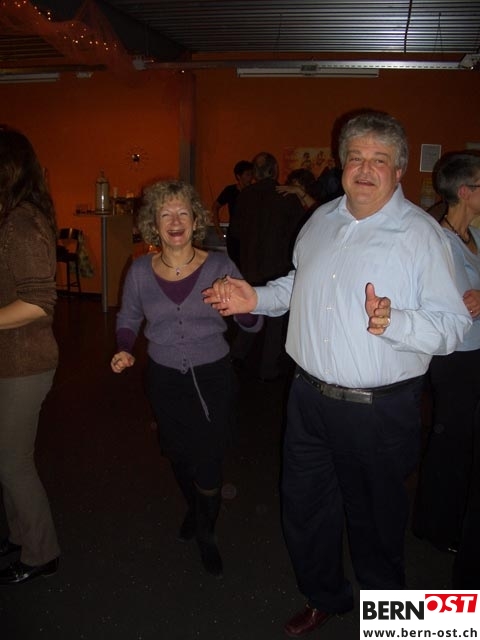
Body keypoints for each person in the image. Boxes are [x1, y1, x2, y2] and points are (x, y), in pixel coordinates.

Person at [203, 112, 471, 635]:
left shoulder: (421, 236)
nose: (365, 169)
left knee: (376, 525)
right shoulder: (321, 219)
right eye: (356, 158)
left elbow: (454, 327)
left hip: (377, 409)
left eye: (379, 160)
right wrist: (256, 297)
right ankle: (324, 596)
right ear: (342, 163)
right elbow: (298, 283)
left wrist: (397, 321)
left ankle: (392, 624)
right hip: (307, 399)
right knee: (305, 509)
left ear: (399, 171)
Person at [111, 180, 262, 577]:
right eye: (166, 214)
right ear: (154, 223)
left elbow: (254, 321)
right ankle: (196, 509)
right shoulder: (139, 270)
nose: (175, 221)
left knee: (208, 460)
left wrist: (240, 310)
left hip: (212, 378)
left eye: (183, 213)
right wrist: (124, 346)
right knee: (178, 455)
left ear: (196, 221)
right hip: (164, 379)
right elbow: (128, 315)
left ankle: (206, 533)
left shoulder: (219, 266)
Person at [0, 125, 61, 585]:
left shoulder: (20, 223)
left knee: (12, 461)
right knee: (6, 458)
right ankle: (21, 535)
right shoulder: (13, 217)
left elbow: (40, 302)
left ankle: (41, 553)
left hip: (25, 363)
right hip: (11, 360)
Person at [413, 152, 480, 563]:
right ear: (466, 191)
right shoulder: (441, 242)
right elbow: (450, 305)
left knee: (463, 442)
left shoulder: (475, 234)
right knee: (451, 442)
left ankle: (443, 518)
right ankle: (435, 525)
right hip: (456, 357)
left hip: (476, 352)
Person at [230, 152, 306, 380]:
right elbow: (300, 237)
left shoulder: (245, 196)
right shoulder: (287, 196)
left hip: (250, 266)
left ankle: (237, 355)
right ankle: (268, 370)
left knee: (249, 311)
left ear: (255, 172)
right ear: (275, 170)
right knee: (275, 323)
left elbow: (235, 234)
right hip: (278, 267)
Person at [211, 160, 254, 268]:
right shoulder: (230, 190)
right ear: (239, 176)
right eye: (247, 175)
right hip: (234, 234)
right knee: (235, 265)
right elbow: (215, 207)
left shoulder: (254, 191)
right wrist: (218, 229)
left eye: (251, 174)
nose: (250, 178)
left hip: (250, 234)